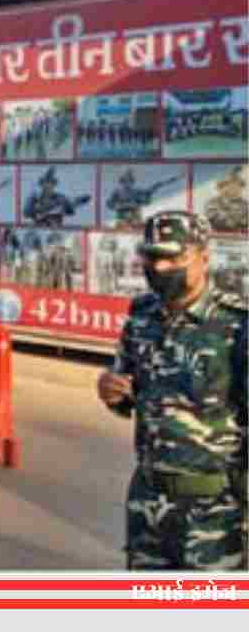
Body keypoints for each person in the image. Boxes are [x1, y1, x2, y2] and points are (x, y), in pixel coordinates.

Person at [97, 211, 247, 571]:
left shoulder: (238, 324)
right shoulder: (142, 314)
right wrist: (113, 392)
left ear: (203, 257)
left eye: (173, 257)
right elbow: (130, 389)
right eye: (152, 257)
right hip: (149, 504)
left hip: (216, 513)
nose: (161, 267)